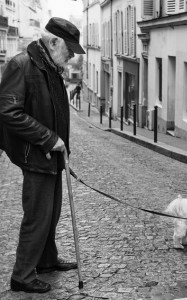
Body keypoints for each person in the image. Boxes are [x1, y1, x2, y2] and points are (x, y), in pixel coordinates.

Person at [0, 17, 85, 293]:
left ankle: (47, 260)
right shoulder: (21, 65)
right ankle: (22, 275)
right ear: (52, 42)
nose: (72, 56)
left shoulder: (50, 67)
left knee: (52, 213)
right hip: (36, 156)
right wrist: (49, 139)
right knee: (37, 217)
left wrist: (63, 150)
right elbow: (9, 113)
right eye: (69, 49)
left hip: (53, 157)